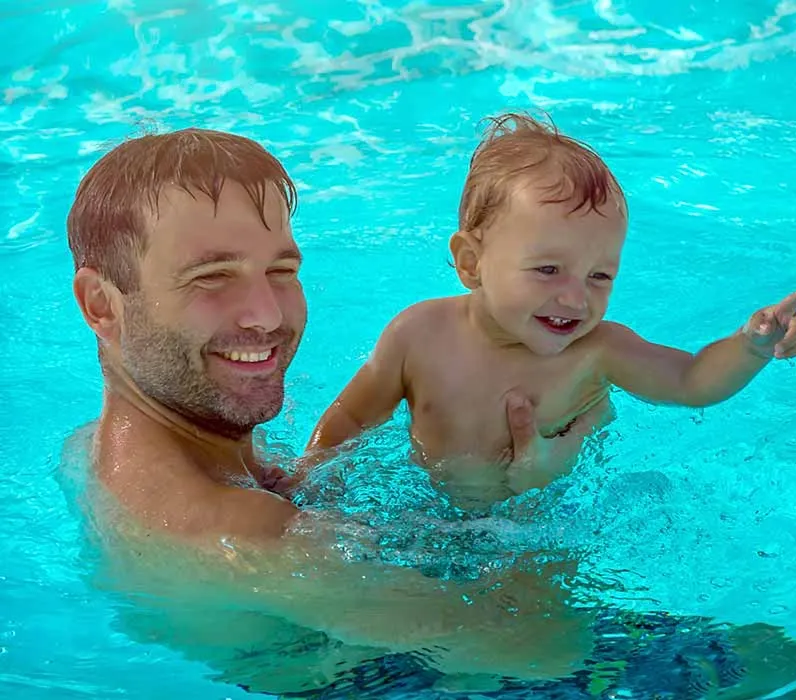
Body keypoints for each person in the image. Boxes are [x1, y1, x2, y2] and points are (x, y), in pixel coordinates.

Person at [64, 126, 601, 686]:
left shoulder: (97, 448)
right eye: (212, 277)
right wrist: (531, 496)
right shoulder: (243, 538)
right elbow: (543, 648)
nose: (267, 316)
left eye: (281, 271)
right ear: (101, 304)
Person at [307, 112, 796, 505]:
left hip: (532, 531)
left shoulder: (598, 352)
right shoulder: (418, 335)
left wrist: (751, 347)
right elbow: (352, 415)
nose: (576, 299)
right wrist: (309, 480)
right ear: (471, 263)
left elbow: (692, 382)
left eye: (599, 276)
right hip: (420, 513)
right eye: (548, 270)